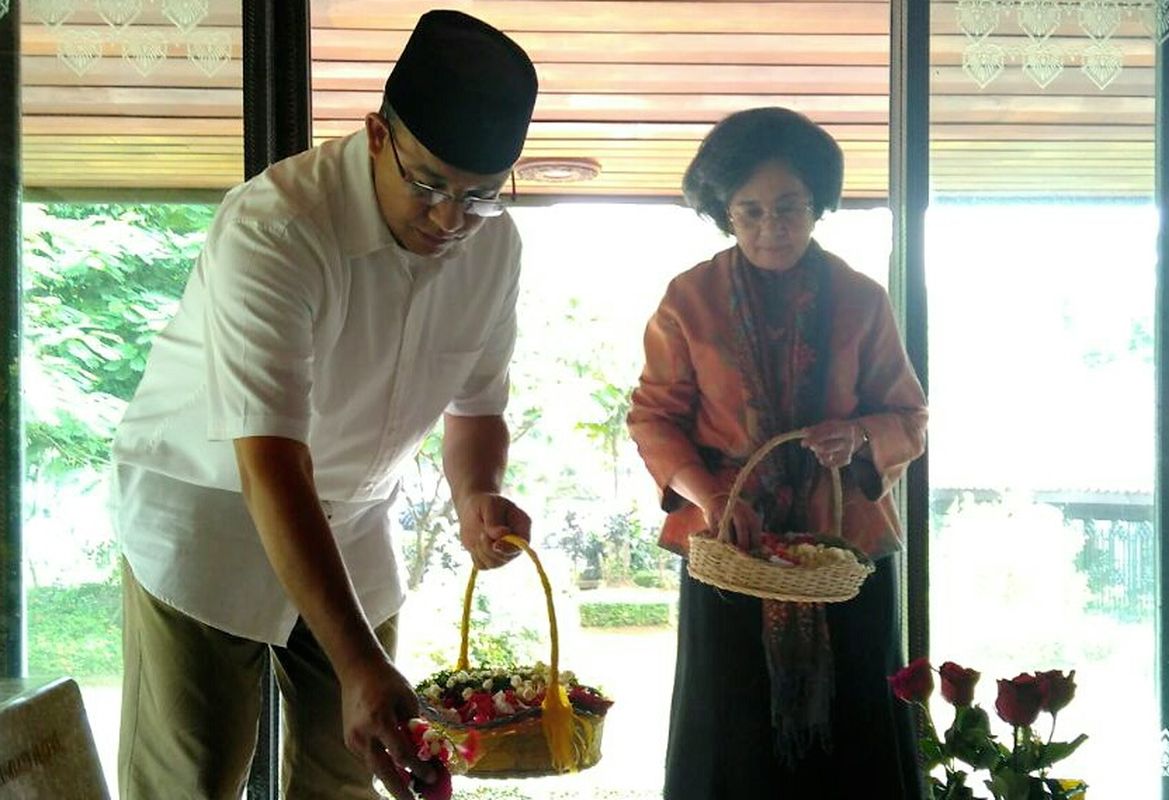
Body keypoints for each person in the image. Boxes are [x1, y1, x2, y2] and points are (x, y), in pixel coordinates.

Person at [111, 11, 538, 800]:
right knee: (194, 777)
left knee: (352, 769)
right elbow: (271, 460)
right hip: (208, 508)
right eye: (429, 184)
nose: (451, 220)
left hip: (356, 518)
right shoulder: (277, 227)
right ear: (378, 134)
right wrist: (356, 663)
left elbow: (477, 407)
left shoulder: (494, 246)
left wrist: (477, 493)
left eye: (479, 196)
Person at [626, 107, 928, 799]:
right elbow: (653, 416)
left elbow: (908, 417)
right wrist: (711, 496)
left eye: (790, 207)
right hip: (731, 549)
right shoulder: (688, 300)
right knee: (731, 742)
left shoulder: (862, 298)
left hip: (844, 559)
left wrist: (856, 436)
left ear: (818, 203)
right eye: (750, 211)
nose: (772, 228)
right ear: (724, 211)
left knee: (857, 743)